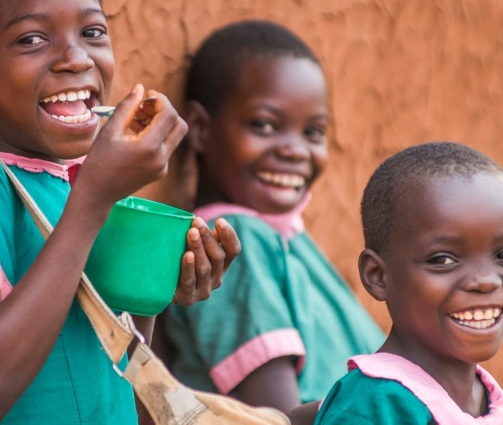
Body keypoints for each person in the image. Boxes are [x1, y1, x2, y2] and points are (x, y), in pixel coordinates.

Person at [0, 0, 240, 425]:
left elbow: (117, 384)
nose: (77, 58)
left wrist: (156, 283)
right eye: (32, 39)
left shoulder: (83, 188)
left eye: (92, 32)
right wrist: (94, 199)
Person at [158, 20, 384, 414]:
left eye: (313, 132)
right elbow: (273, 416)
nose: (296, 150)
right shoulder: (229, 241)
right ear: (199, 128)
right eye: (264, 125)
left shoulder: (280, 237)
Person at [309, 141, 503, 424]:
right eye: (442, 260)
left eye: (502, 254)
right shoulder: (376, 404)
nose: (485, 281)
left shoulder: (486, 395)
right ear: (378, 276)